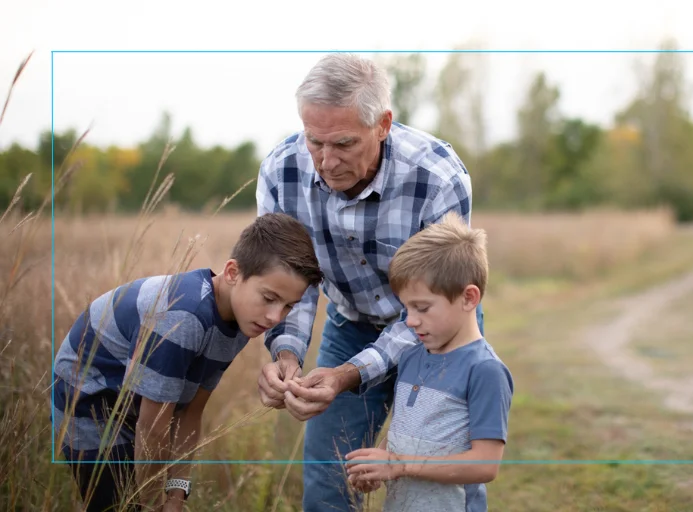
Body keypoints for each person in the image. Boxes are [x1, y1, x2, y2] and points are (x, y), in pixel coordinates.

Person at [255, 52, 484, 511]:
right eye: (314, 141)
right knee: (328, 478)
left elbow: (434, 302)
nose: (325, 160)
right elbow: (289, 282)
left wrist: (348, 375)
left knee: (440, 482)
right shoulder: (281, 172)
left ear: (382, 124)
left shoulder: (437, 177)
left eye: (343, 143)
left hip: (441, 330)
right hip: (351, 321)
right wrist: (286, 354)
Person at [52, 213, 322, 512]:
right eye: (269, 297)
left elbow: (190, 411)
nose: (275, 318)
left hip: (138, 406)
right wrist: (156, 503)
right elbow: (152, 428)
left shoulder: (242, 317)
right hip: (90, 403)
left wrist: (176, 493)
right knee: (121, 503)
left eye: (288, 307)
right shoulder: (184, 316)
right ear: (232, 272)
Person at [344, 211, 514, 511]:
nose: (410, 321)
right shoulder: (410, 357)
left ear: (469, 298)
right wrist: (378, 464)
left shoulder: (485, 371)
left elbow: (486, 464)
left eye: (422, 308)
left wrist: (399, 465)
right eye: (406, 309)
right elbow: (402, 430)